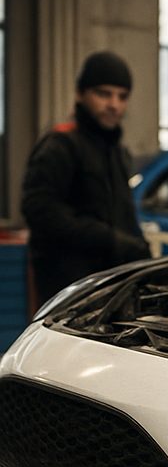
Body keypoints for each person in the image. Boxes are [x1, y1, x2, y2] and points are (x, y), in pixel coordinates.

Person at [21, 51, 150, 307]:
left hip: (111, 289)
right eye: (103, 94)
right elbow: (41, 212)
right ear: (80, 94)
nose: (114, 104)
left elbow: (124, 214)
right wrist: (110, 239)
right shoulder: (60, 145)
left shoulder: (118, 153)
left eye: (122, 96)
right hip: (67, 292)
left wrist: (139, 249)